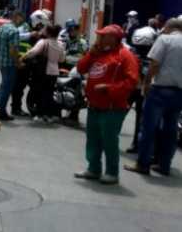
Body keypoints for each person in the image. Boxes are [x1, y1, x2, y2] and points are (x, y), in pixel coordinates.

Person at [74, 25, 139, 185]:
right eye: (100, 36)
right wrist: (91, 53)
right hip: (94, 105)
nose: (100, 39)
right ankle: (93, 169)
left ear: (113, 38)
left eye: (103, 36)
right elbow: (81, 68)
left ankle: (112, 172)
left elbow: (132, 82)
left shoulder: (125, 56)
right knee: (93, 139)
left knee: (109, 141)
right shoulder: (98, 52)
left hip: (112, 108)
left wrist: (109, 88)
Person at [125, 18, 182, 177]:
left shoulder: (165, 39)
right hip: (179, 93)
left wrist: (147, 82)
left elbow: (155, 63)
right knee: (170, 130)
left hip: (160, 89)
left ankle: (143, 164)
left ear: (169, 28)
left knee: (148, 127)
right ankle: (164, 165)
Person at [126, 18, 159, 153]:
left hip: (141, 88)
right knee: (139, 117)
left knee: (140, 117)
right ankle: (136, 144)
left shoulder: (150, 55)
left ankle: (136, 144)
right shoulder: (133, 54)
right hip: (135, 87)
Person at [21, 24, 65, 123]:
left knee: (39, 92)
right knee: (49, 93)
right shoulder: (60, 44)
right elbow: (62, 59)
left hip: (42, 71)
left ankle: (39, 114)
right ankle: (49, 115)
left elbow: (33, 52)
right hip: (54, 72)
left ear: (48, 33)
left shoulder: (43, 42)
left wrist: (24, 57)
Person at [10, 10, 50, 117]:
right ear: (36, 21)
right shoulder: (25, 27)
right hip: (22, 60)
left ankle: (27, 106)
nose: (41, 27)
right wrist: (30, 34)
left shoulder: (37, 31)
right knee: (19, 85)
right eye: (40, 24)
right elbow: (16, 35)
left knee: (27, 85)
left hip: (31, 62)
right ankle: (15, 108)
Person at [0, 11, 24, 121]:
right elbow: (13, 50)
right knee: (7, 87)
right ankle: (1, 112)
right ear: (16, 17)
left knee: (3, 85)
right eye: (22, 18)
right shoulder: (14, 31)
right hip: (9, 63)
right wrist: (18, 62)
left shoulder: (3, 27)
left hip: (1, 61)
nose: (22, 22)